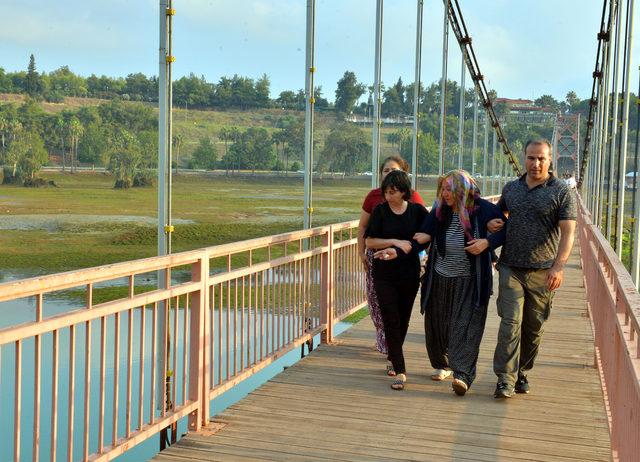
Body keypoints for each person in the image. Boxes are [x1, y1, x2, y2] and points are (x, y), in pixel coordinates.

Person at [489, 139, 577, 399]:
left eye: (541, 158)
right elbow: (497, 215)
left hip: (543, 270)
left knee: (533, 327)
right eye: (531, 157)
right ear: (524, 157)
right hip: (510, 266)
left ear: (550, 160)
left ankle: (522, 371)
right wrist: (495, 223)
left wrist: (558, 267)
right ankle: (505, 378)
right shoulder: (511, 188)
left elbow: (568, 233)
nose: (536, 163)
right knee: (510, 323)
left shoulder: (561, 191)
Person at [414, 170, 506, 396]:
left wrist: (487, 242)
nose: (445, 194)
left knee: (465, 327)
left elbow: (505, 230)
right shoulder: (438, 211)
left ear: (462, 190)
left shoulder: (482, 209)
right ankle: (444, 363)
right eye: (443, 189)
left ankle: (462, 375)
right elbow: (422, 235)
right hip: (439, 278)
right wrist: (400, 248)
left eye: (450, 189)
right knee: (437, 328)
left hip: (469, 281)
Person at [365, 170, 427, 390]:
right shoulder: (380, 211)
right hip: (384, 275)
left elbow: (427, 235)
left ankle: (393, 353)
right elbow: (370, 242)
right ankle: (399, 369)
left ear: (403, 192)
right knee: (390, 318)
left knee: (403, 319)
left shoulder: (417, 211)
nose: (388, 196)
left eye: (393, 192)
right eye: (386, 192)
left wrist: (412, 245)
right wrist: (394, 242)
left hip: (409, 274)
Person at [357, 156, 424, 360]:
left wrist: (421, 254)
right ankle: (385, 340)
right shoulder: (375, 200)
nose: (388, 174)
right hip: (379, 258)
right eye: (385, 170)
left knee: (401, 312)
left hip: (406, 264)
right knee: (378, 302)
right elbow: (363, 229)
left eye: (393, 170)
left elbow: (425, 232)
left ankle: (393, 348)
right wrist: (361, 252)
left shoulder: (414, 202)